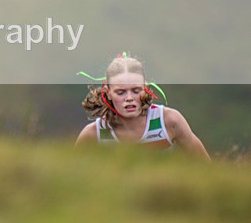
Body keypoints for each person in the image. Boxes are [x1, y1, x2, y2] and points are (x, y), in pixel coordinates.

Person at [75, 54, 210, 160]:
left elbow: (206, 168)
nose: (129, 98)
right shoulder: (93, 134)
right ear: (108, 92)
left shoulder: (169, 121)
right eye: (120, 92)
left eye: (136, 90)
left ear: (145, 89)